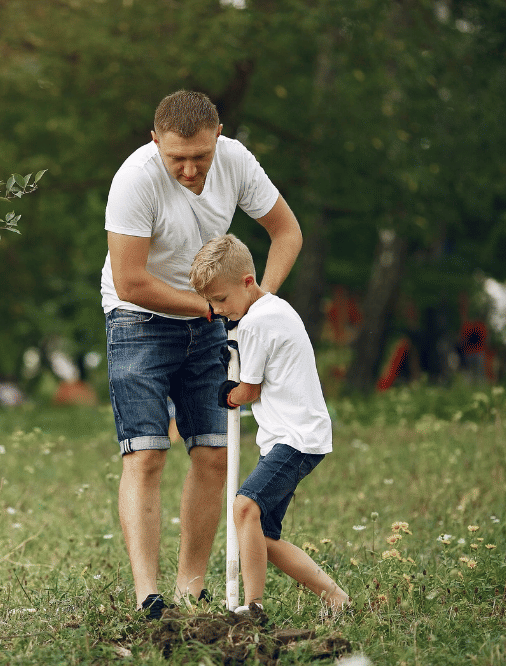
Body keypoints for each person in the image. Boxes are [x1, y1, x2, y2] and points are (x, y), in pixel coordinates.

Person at [101, 90, 303, 619]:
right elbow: (129, 281)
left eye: (200, 157)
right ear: (155, 143)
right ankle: (149, 595)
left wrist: (257, 304)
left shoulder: (236, 160)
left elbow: (286, 232)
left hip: (212, 316)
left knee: (214, 454)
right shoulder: (135, 179)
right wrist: (212, 309)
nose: (190, 170)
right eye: (177, 159)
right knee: (145, 453)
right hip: (139, 318)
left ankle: (191, 588)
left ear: (218, 138)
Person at [189, 234, 349, 619]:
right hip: (299, 436)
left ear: (248, 281)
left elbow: (249, 389)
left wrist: (227, 394)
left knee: (244, 506)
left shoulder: (256, 323)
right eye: (211, 304)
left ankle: (254, 606)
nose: (219, 311)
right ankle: (336, 598)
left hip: (295, 439)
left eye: (222, 300)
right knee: (262, 537)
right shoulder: (274, 310)